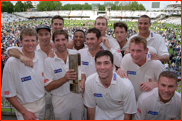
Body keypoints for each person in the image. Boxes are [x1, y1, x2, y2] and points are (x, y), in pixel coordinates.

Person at [6, 24, 54, 120]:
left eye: (32, 40)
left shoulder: (41, 56)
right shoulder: (12, 62)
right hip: (25, 107)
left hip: (42, 103)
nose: (30, 43)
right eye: (26, 40)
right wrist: (24, 112)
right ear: (20, 42)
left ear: (37, 42)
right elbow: (8, 94)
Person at [43, 29, 85, 120]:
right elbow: (48, 87)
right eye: (57, 40)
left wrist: (83, 79)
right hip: (59, 99)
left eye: (63, 39)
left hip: (77, 96)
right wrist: (65, 78)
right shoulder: (49, 60)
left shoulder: (75, 54)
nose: (61, 43)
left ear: (67, 41)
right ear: (53, 42)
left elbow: (82, 73)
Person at [84, 50, 137, 120]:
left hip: (120, 116)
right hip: (100, 115)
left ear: (112, 66)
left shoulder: (126, 85)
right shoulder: (89, 81)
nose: (102, 67)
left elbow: (128, 115)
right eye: (99, 63)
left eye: (106, 63)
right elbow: (91, 110)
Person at [118, 36, 165, 100]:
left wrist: (156, 84)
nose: (135, 54)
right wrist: (118, 73)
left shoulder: (156, 64)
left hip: (150, 103)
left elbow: (166, 84)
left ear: (146, 50)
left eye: (139, 51)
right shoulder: (126, 59)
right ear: (129, 49)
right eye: (132, 50)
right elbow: (121, 81)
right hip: (131, 101)